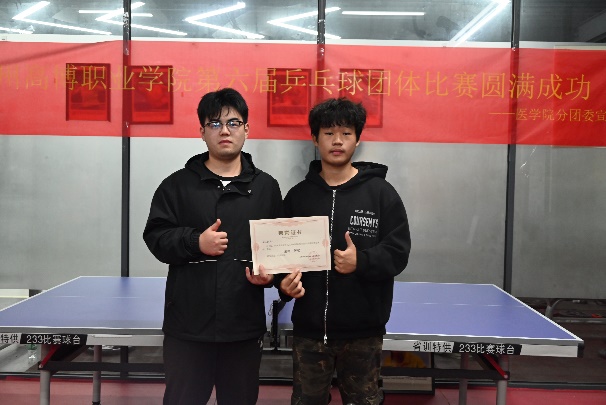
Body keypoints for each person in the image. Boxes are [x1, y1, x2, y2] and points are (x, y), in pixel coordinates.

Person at [143, 88, 282, 405]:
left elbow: (276, 248)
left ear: (246, 129)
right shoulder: (177, 185)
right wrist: (196, 241)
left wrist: (271, 276)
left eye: (233, 123)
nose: (225, 131)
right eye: (215, 123)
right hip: (188, 326)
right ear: (202, 131)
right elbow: (156, 237)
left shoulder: (266, 188)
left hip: (242, 326)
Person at [277, 97, 411, 405]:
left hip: (363, 333)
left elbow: (398, 252)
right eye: (328, 133)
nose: (337, 141)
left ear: (357, 139)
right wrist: (284, 283)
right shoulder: (298, 197)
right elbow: (282, 257)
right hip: (309, 332)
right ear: (315, 138)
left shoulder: (381, 194)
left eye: (346, 133)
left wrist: (361, 261)